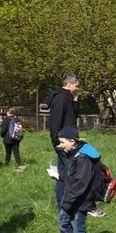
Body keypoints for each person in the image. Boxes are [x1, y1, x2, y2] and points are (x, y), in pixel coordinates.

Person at [54, 126, 101, 233]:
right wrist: (59, 176)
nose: (60, 145)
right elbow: (72, 176)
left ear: (72, 141)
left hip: (81, 199)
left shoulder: (82, 157)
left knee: (78, 229)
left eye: (62, 142)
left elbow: (80, 184)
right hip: (72, 196)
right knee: (63, 222)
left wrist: (67, 202)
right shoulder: (74, 152)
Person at [48, 74, 80, 204]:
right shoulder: (61, 98)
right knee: (67, 171)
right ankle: (65, 201)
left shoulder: (68, 97)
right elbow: (55, 121)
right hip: (63, 142)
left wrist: (76, 99)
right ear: (69, 84)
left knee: (66, 171)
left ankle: (64, 201)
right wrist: (57, 141)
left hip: (70, 140)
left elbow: (74, 115)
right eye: (76, 86)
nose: (78, 88)